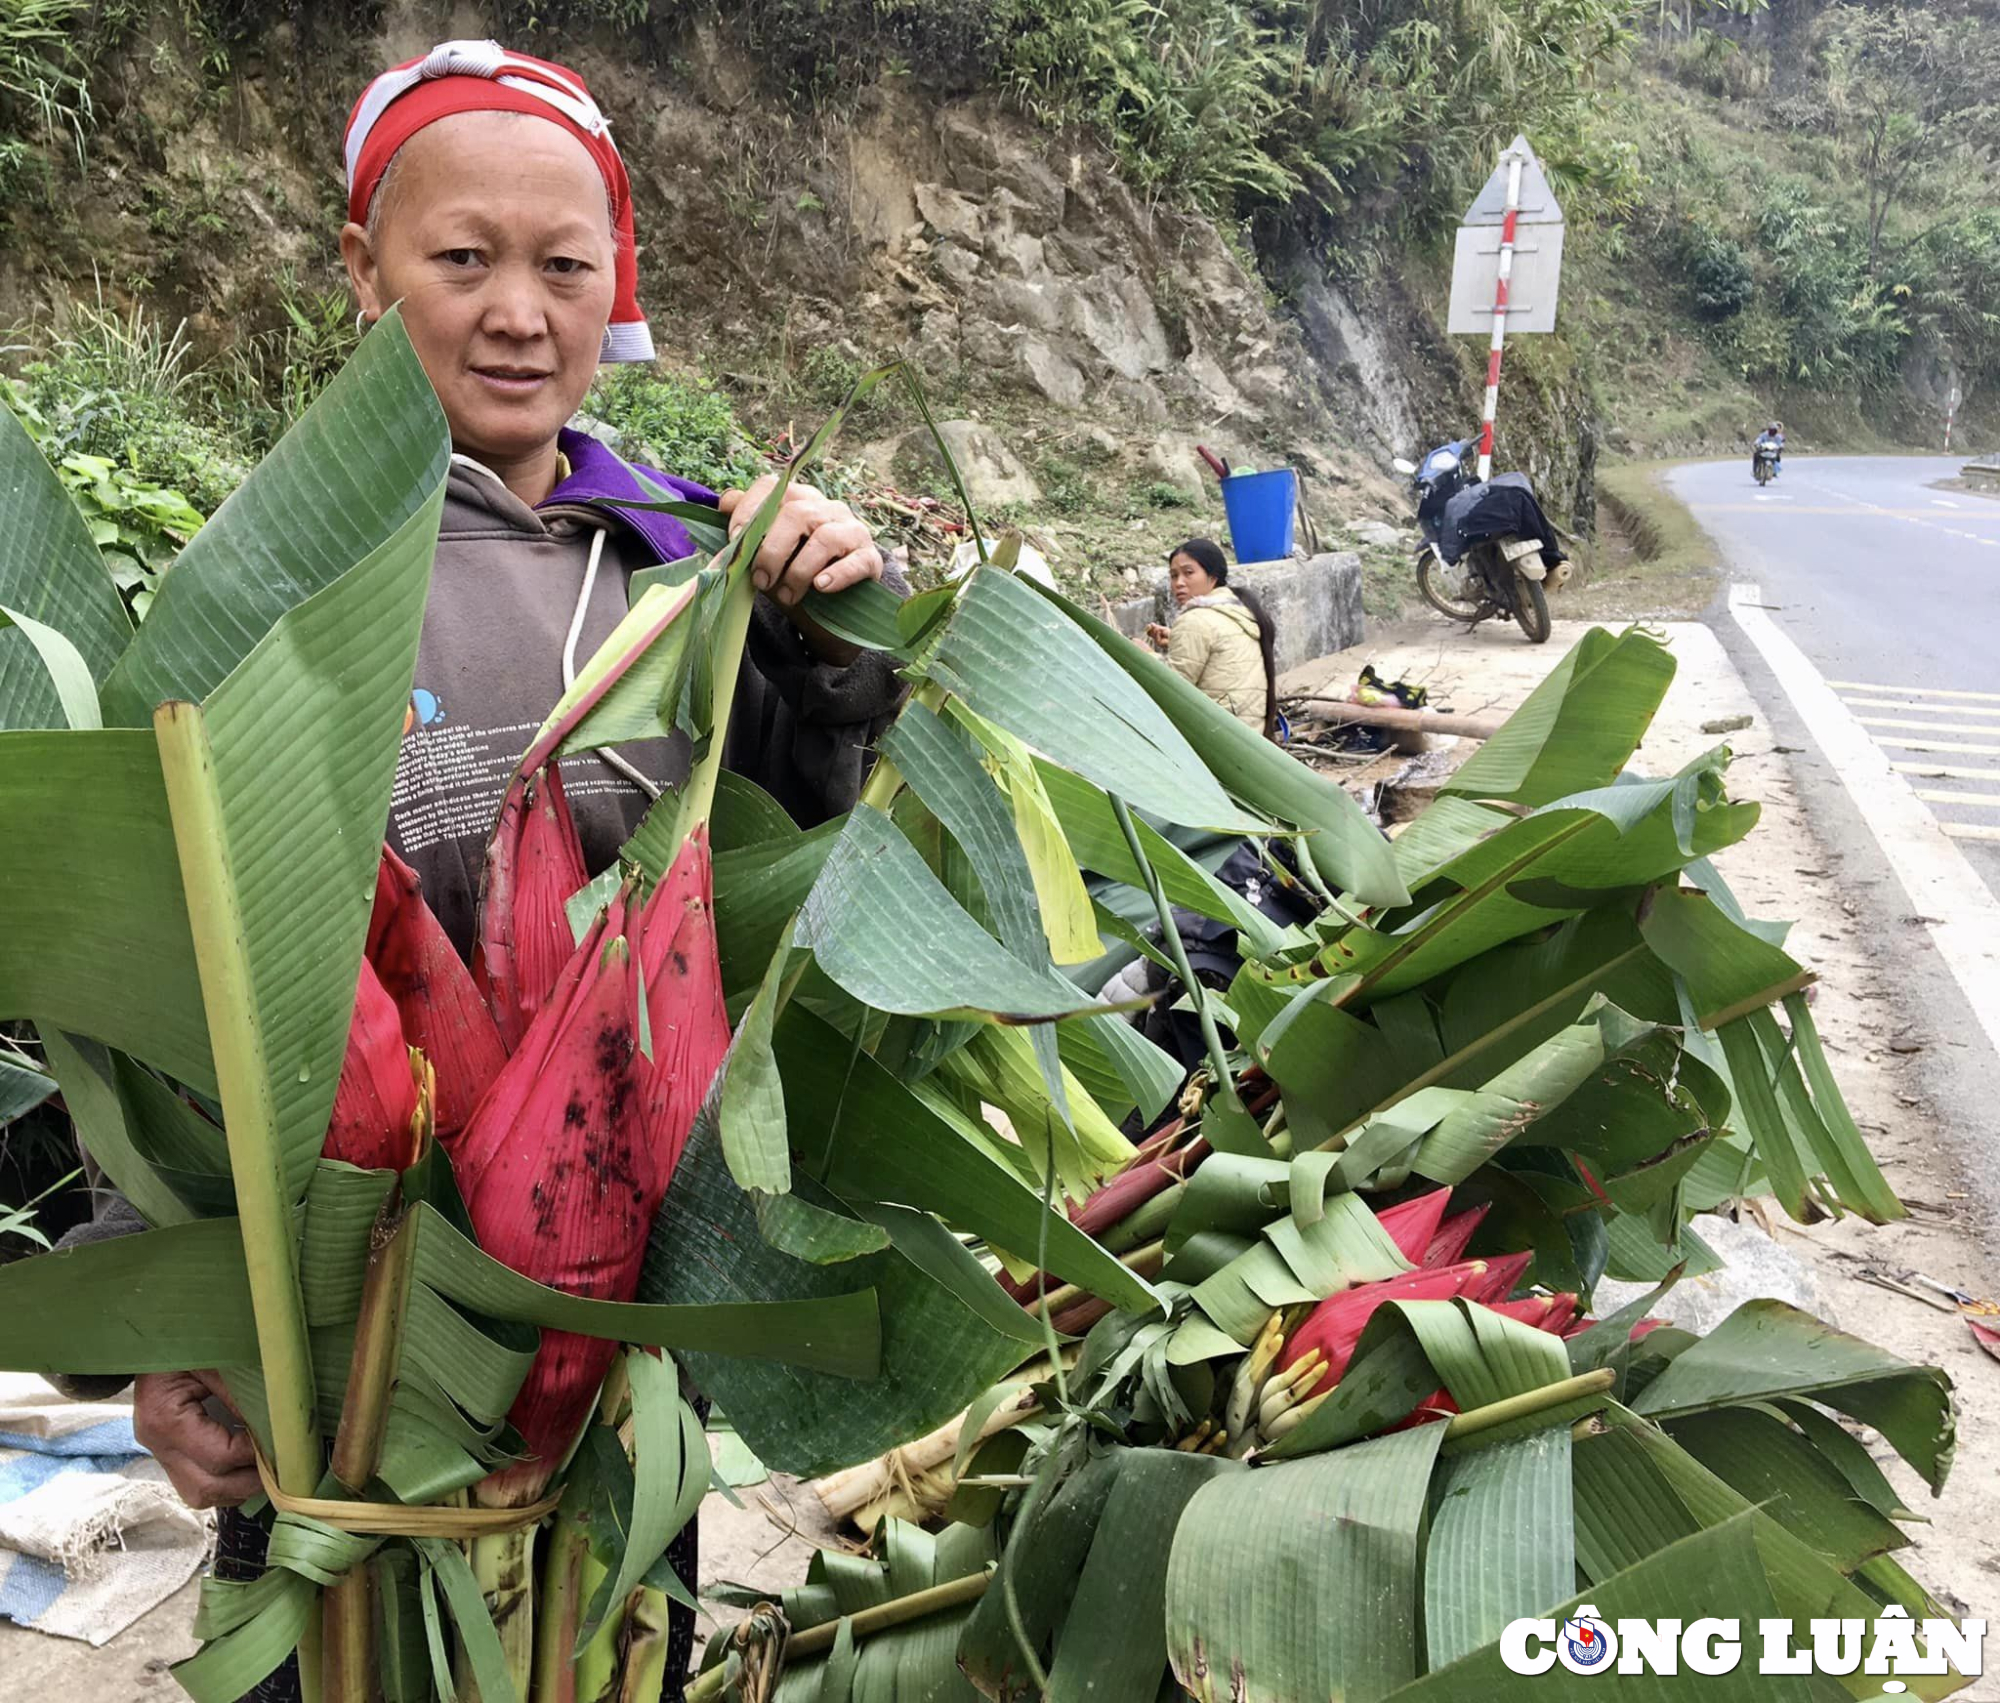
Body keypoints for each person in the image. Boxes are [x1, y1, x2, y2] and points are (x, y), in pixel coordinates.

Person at [63, 38, 909, 1702]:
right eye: (461, 259)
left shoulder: (688, 563)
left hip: (619, 1360)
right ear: (362, 270)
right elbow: (176, 980)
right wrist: (165, 1325)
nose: (517, 311)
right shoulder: (267, 584)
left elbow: (799, 886)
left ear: (619, 285)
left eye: (562, 265)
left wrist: (838, 665)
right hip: (346, 1351)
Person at [1145, 537, 1279, 737]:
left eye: (1188, 573)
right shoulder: (1240, 609)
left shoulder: (1196, 620)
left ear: (1212, 576)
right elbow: (1220, 651)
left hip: (1218, 737)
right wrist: (1176, 639)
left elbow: (1171, 687)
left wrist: (1145, 655)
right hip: (1250, 733)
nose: (1178, 583)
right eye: (1173, 576)